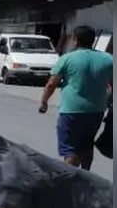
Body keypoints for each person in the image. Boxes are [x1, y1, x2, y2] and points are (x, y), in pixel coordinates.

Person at [39, 25, 113, 170]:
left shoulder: (67, 58)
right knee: (87, 144)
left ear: (76, 40)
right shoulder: (108, 59)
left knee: (71, 148)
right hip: (96, 111)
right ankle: (86, 176)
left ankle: (71, 181)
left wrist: (44, 102)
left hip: (71, 111)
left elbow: (51, 84)